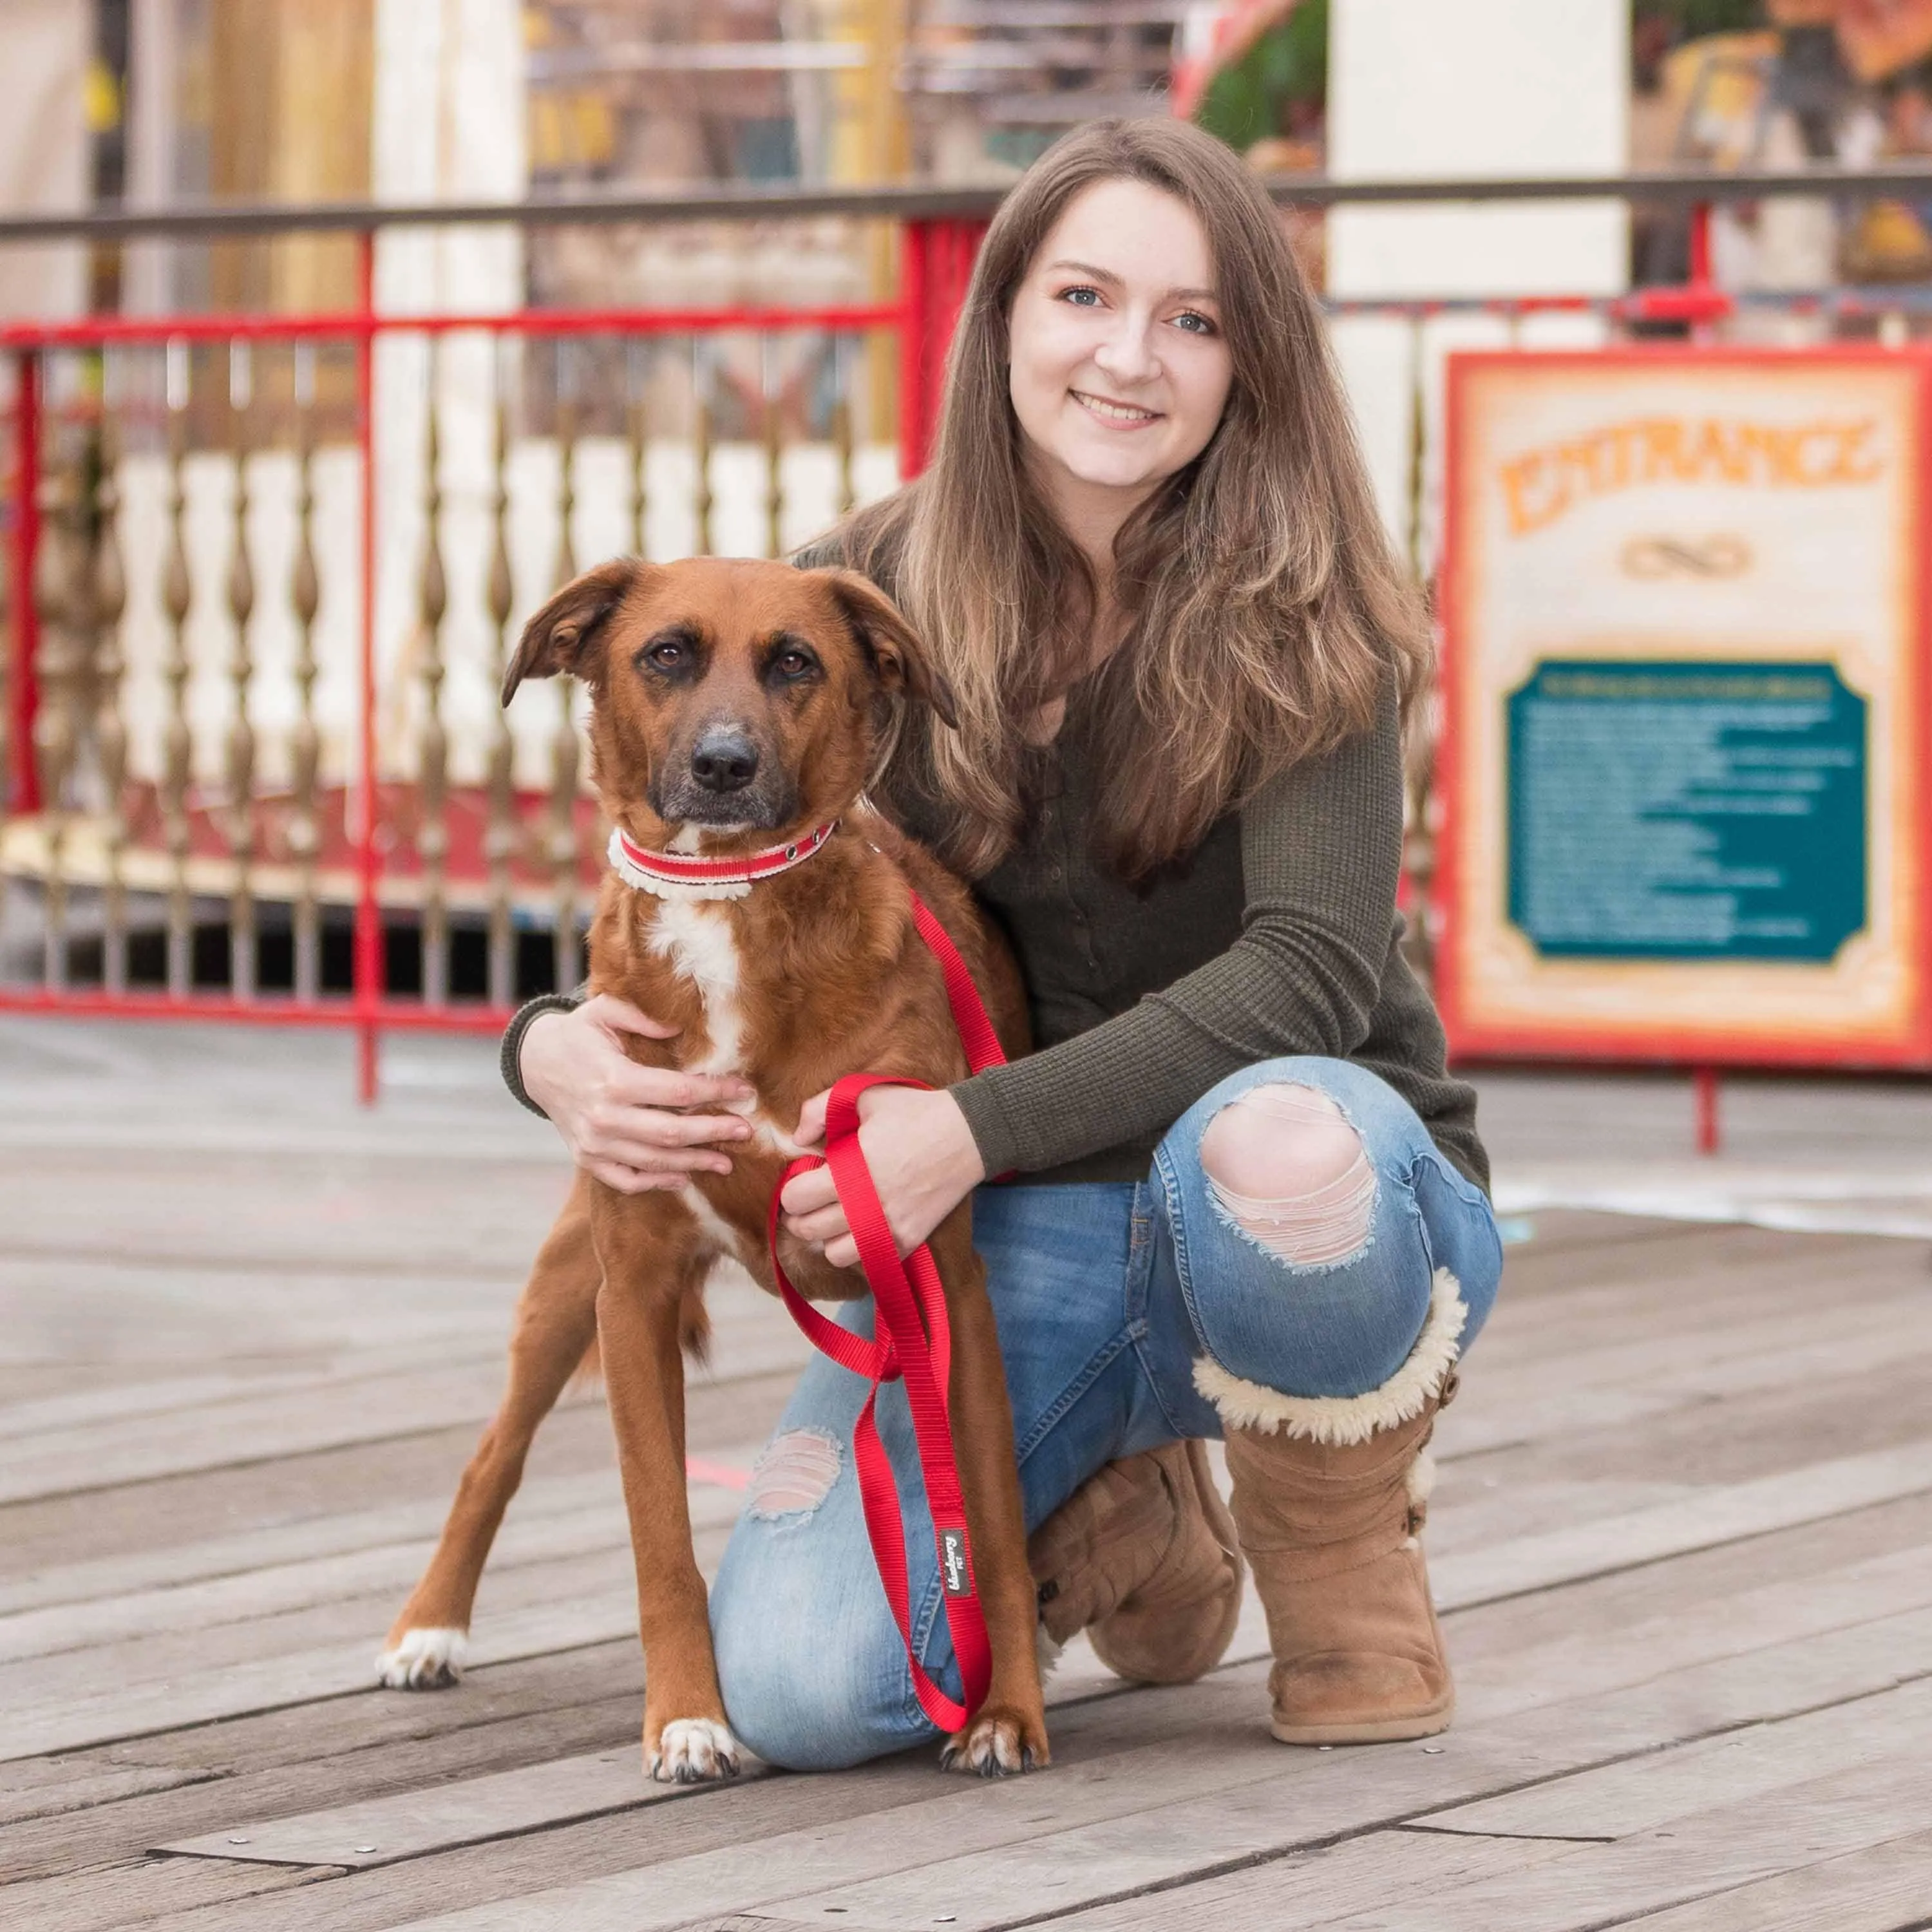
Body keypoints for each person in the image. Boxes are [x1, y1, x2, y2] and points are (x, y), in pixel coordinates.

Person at [501, 118, 1502, 1771]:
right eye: (1086, 296)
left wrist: (962, 1130)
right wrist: (545, 1044)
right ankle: (1134, 1520)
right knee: (812, 1691)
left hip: (1313, 1215)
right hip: (1021, 1229)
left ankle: (1340, 1569)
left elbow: (1305, 982)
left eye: (1192, 318)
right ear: (1004, 322)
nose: (1129, 356)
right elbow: (689, 834)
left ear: (1253, 355)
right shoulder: (863, 583)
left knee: (1281, 1137)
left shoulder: (1315, 610)